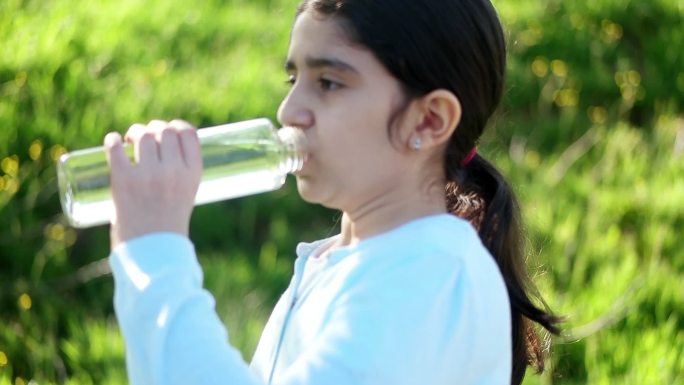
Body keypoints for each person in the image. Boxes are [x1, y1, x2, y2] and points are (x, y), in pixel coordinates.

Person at [103, 0, 561, 384]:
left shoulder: (430, 278)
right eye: (293, 79)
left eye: (328, 82)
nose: (289, 110)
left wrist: (157, 257)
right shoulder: (351, 261)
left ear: (428, 120)